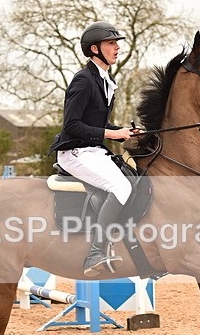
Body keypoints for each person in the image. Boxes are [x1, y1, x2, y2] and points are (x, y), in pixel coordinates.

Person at [50, 21, 138, 277]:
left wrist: (125, 133)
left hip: (92, 151)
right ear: (95, 49)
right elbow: (73, 125)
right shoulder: (83, 81)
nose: (117, 47)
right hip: (74, 153)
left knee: (130, 179)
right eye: (111, 43)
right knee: (121, 186)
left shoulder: (103, 80)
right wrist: (113, 133)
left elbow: (97, 124)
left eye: (116, 43)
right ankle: (95, 253)